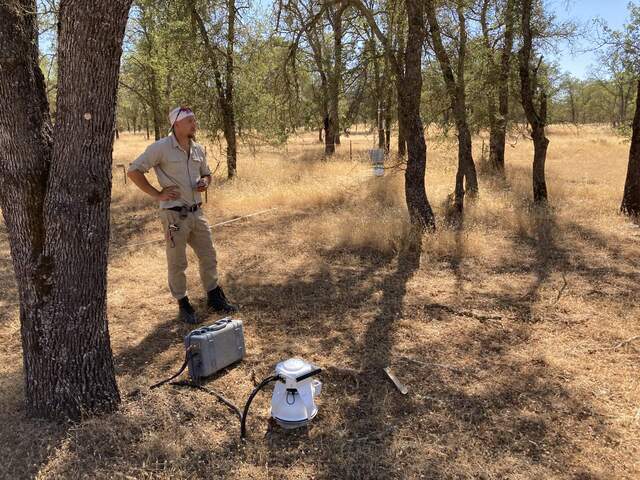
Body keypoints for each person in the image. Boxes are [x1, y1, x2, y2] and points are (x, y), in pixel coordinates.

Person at [127, 106, 238, 323]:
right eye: (190, 121)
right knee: (177, 262)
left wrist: (206, 181)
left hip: (197, 213)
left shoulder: (198, 149)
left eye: (195, 120)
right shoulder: (161, 147)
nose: (194, 124)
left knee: (209, 255)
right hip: (174, 216)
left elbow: (206, 173)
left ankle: (214, 297)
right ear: (176, 124)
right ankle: (183, 303)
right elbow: (133, 171)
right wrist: (158, 194)